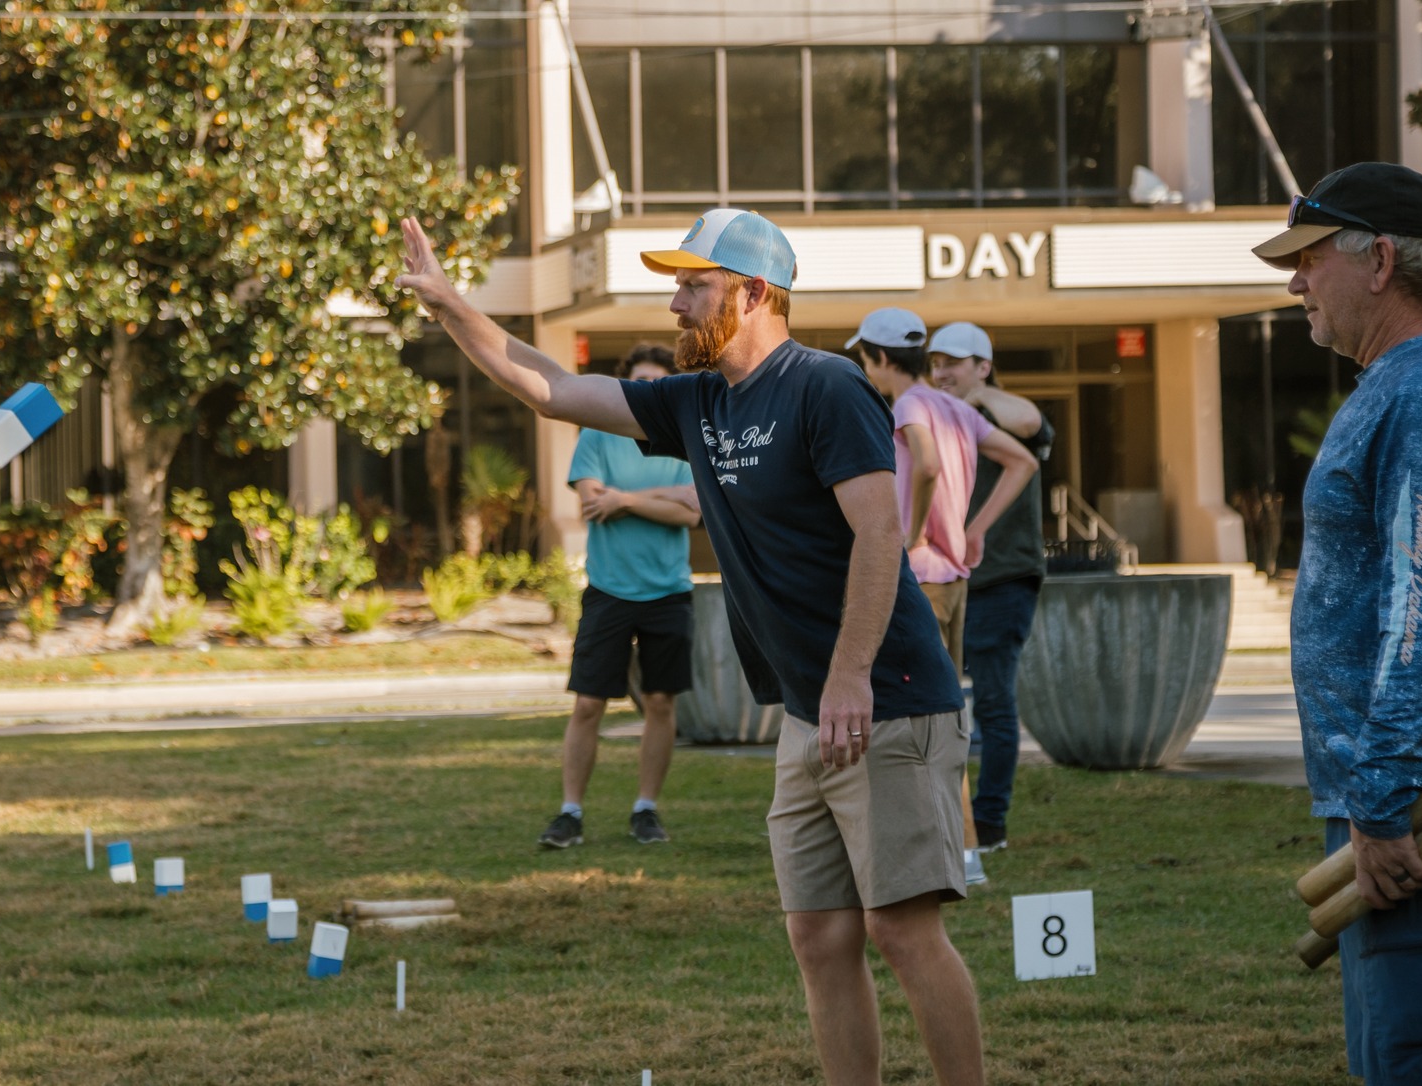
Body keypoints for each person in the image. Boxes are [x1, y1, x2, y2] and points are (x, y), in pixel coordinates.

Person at [399, 207, 984, 1085]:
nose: (675, 304)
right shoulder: (698, 402)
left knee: (901, 929)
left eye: (692, 286)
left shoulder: (826, 387)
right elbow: (550, 386)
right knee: (818, 934)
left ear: (752, 294)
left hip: (886, 696)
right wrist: (450, 305)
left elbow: (878, 533)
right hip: (808, 712)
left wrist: (851, 676)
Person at [1250, 161, 1422, 1084]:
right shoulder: (1404, 385)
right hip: (1391, 794)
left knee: (1411, 1055)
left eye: (1309, 257)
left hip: (1413, 807)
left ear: (1380, 261)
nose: (1295, 282)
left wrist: (1381, 799)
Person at [851, 307, 1037, 885]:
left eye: (865, 358)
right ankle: (963, 850)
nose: (865, 368)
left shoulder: (909, 405)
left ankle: (951, 850)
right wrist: (973, 530)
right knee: (947, 715)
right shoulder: (956, 407)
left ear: (881, 358)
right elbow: (1022, 461)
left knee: (915, 717)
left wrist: (909, 535)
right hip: (955, 577)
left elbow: (926, 464)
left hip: (924, 578)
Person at [538, 343, 700, 849]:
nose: (647, 390)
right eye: (639, 381)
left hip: (669, 592)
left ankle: (645, 810)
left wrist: (625, 498)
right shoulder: (597, 433)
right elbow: (592, 502)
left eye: (657, 383)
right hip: (608, 591)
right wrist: (662, 498)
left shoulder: (683, 441)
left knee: (660, 703)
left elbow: (693, 512)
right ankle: (570, 813)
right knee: (589, 703)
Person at [929, 322, 1055, 854]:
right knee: (937, 706)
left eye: (954, 363)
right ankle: (949, 820)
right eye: (936, 363)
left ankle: (989, 825)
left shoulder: (1002, 414)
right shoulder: (935, 416)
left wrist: (977, 395)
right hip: (949, 578)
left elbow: (1031, 422)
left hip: (1003, 578)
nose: (942, 372)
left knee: (994, 705)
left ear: (983, 366)